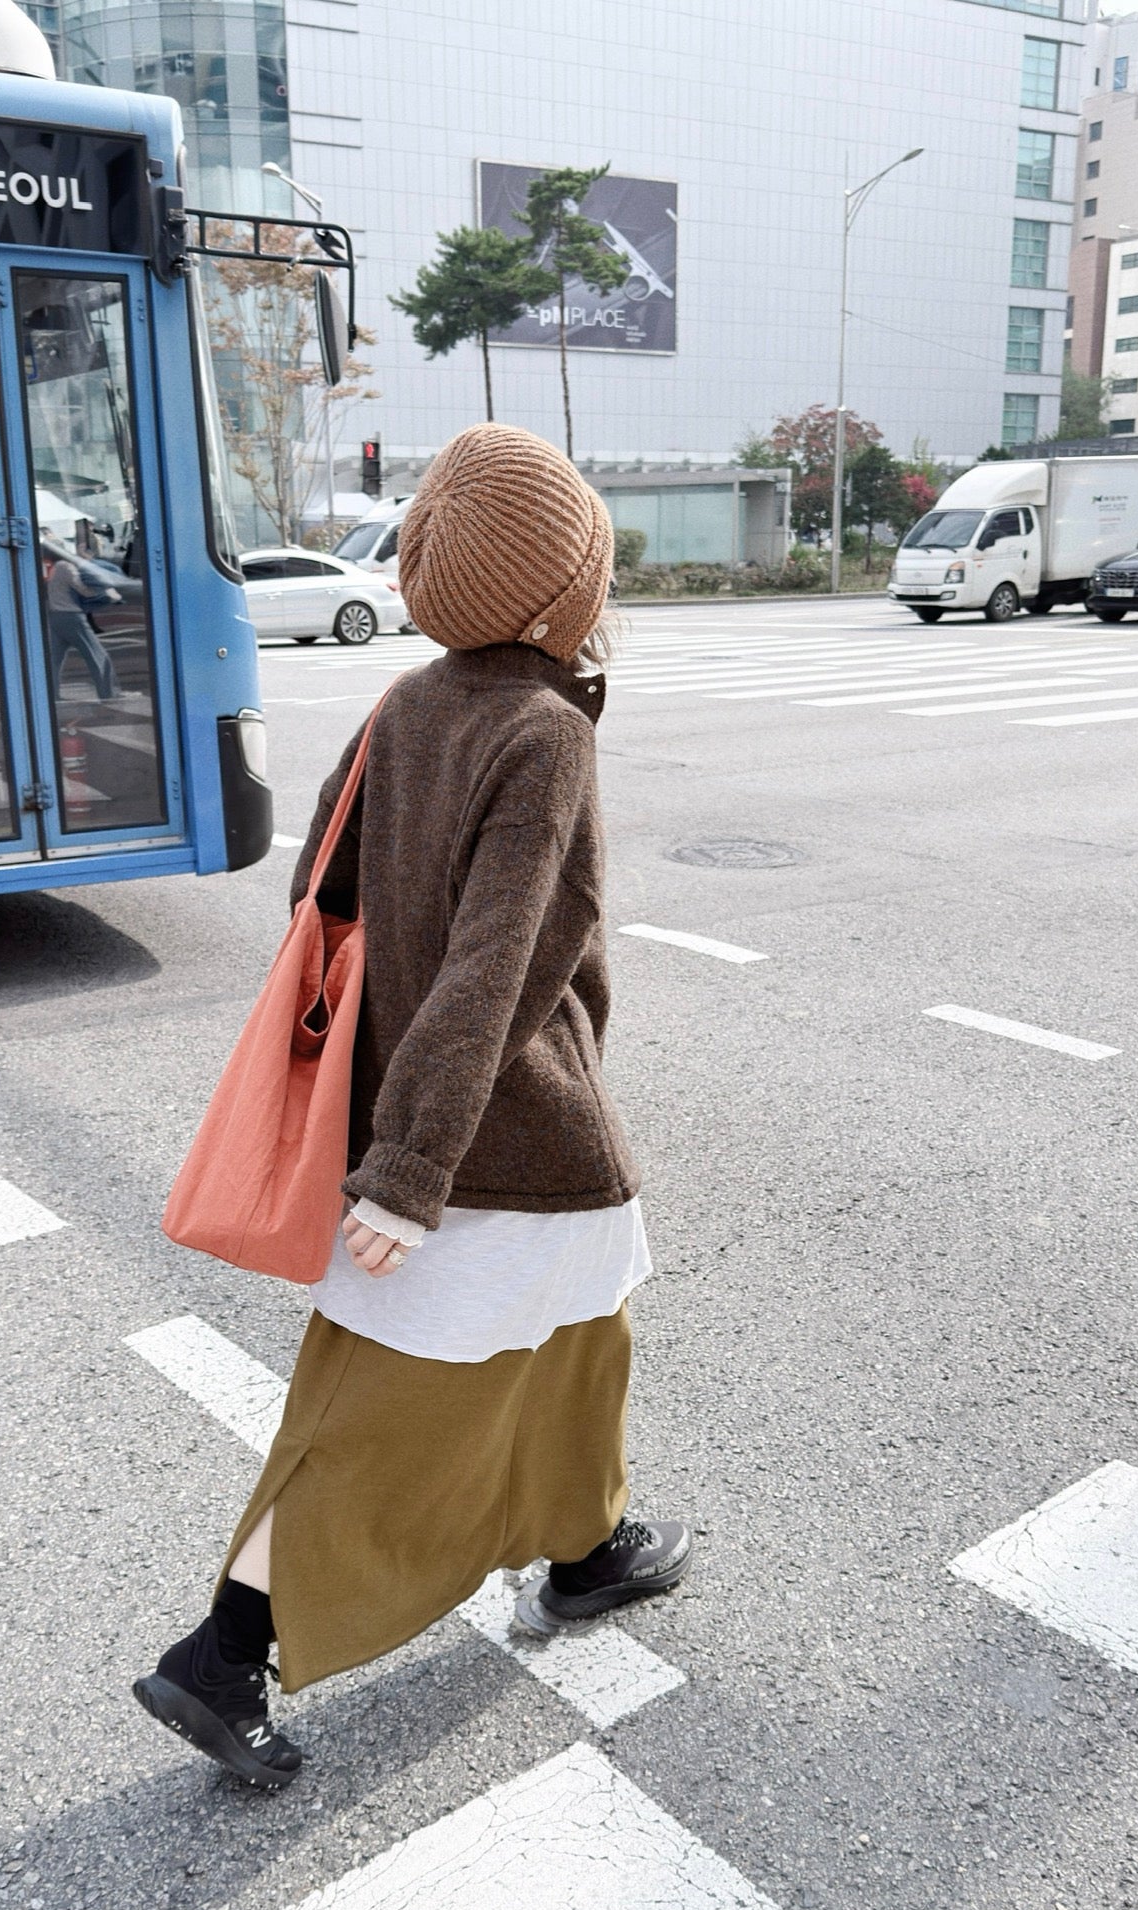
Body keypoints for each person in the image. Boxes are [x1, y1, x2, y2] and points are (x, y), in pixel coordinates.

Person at [133, 423, 691, 1790]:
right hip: (504, 1129)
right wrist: (410, 1168)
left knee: (583, 1336)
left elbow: (319, 903)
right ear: (560, 592)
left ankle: (588, 1546)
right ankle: (226, 1650)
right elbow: (498, 965)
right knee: (380, 1408)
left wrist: (387, 1113)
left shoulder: (407, 704)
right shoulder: (542, 731)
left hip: (422, 1112)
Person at [44, 548, 119, 702]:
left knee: (54, 660)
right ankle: (108, 693)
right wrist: (107, 593)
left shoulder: (52, 567)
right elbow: (84, 590)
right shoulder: (66, 567)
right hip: (71, 616)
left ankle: (51, 695)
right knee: (97, 655)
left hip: (54, 616)